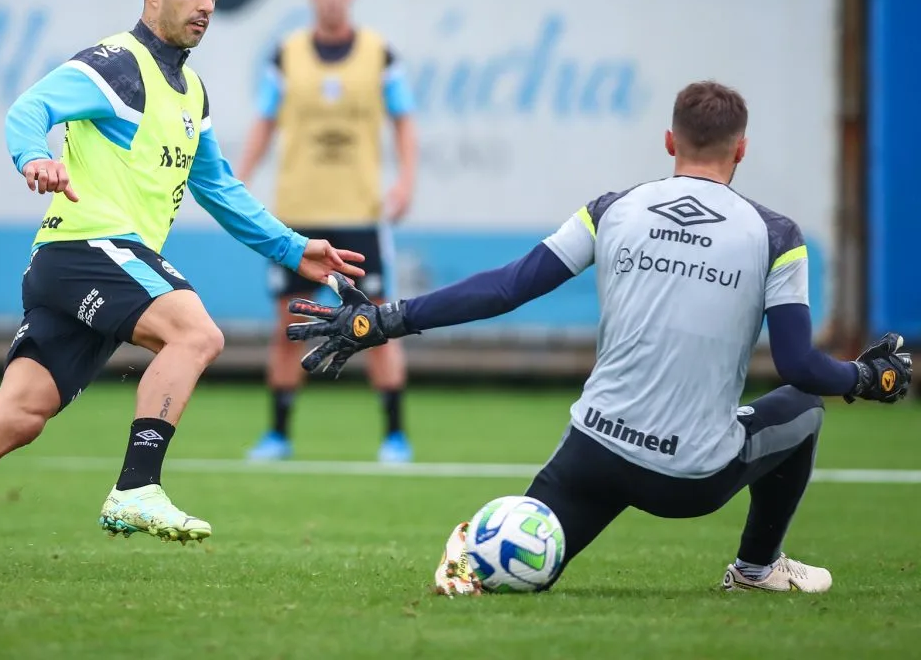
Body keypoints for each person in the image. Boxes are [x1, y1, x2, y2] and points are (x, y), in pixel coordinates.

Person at [0, 0, 365, 577]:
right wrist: (36, 159)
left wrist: (293, 247)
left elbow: (217, 187)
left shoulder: (191, 91)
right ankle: (137, 487)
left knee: (18, 416)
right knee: (196, 335)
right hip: (87, 247)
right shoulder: (117, 64)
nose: (206, 6)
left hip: (78, 265)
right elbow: (29, 110)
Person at [285, 81, 913, 594]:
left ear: (669, 140)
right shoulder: (776, 235)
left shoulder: (614, 207)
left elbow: (508, 287)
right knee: (801, 410)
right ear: (741, 150)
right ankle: (755, 571)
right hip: (689, 478)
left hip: (592, 455)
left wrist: (385, 321)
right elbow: (799, 364)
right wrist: (864, 377)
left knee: (511, 569)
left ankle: (474, 555)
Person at [237, 0, 419, 464]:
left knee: (378, 326)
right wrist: (238, 179)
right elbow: (264, 122)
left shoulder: (380, 55)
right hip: (297, 217)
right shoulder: (286, 55)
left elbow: (405, 121)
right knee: (286, 326)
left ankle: (394, 436)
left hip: (360, 216)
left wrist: (405, 180)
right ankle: (277, 434)